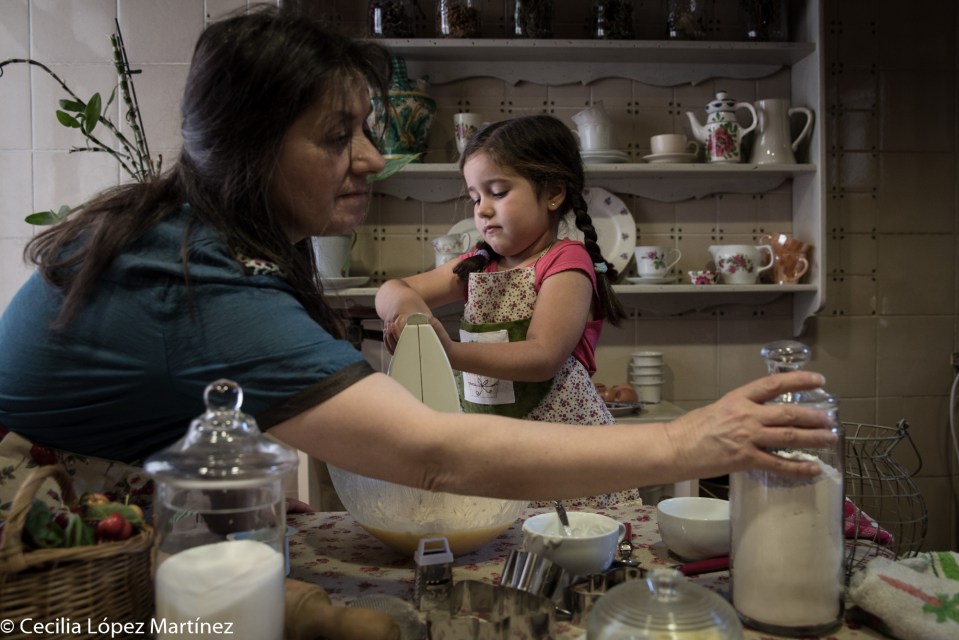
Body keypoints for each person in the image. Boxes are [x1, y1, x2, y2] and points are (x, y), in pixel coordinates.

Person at [0, 5, 835, 510]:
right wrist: (685, 441)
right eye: (338, 135)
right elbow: (434, 454)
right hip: (48, 552)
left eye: (366, 130)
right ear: (248, 146)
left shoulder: (188, 235)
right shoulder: (199, 281)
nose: (370, 159)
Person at [375, 115, 635, 507]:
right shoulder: (477, 264)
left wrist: (449, 352)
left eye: (497, 192)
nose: (483, 210)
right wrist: (414, 317)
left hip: (560, 450)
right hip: (495, 442)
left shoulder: (566, 263)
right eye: (475, 197)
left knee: (566, 549)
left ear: (552, 193)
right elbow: (392, 291)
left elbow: (542, 356)